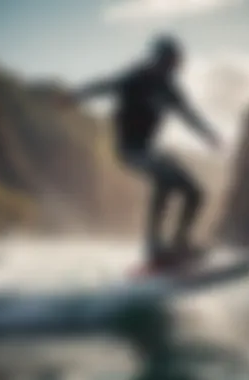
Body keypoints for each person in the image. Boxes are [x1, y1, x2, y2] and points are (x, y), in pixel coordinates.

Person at [69, 35, 220, 273]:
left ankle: (180, 244)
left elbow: (188, 114)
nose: (173, 67)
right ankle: (154, 247)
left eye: (176, 62)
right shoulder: (135, 78)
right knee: (165, 177)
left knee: (196, 193)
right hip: (129, 150)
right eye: (170, 61)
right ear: (159, 59)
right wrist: (74, 96)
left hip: (149, 151)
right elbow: (104, 86)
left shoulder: (170, 89)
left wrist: (207, 135)